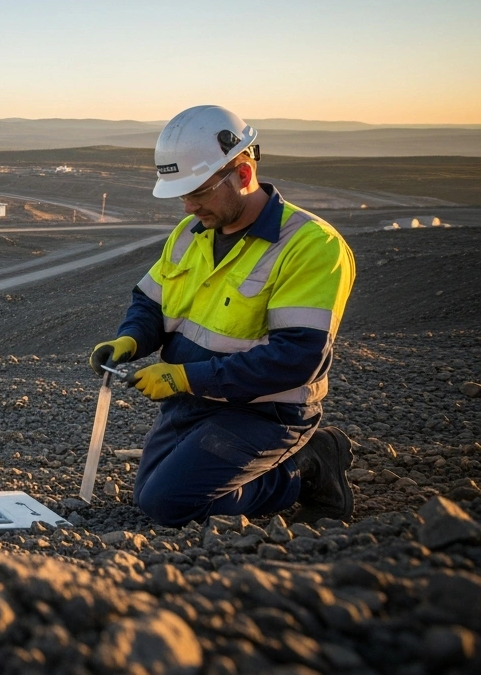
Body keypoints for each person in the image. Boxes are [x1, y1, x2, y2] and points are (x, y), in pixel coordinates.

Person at [90, 105, 357, 527]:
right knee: (148, 494)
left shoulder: (311, 247)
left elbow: (298, 358)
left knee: (168, 505)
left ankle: (306, 467)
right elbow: (151, 304)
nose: (187, 208)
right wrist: (131, 340)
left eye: (198, 192)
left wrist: (184, 378)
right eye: (182, 194)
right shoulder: (192, 233)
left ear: (244, 175)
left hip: (264, 413)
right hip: (196, 403)